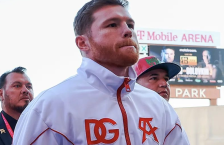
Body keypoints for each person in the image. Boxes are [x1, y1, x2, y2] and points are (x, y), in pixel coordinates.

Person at [13, 0, 190, 144]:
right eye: (112, 25)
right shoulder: (48, 109)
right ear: (83, 43)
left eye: (130, 25)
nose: (128, 31)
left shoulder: (159, 107)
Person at [0, 67, 33, 145]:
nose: (26, 90)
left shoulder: (44, 126)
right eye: (17, 86)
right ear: (1, 94)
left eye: (29, 87)